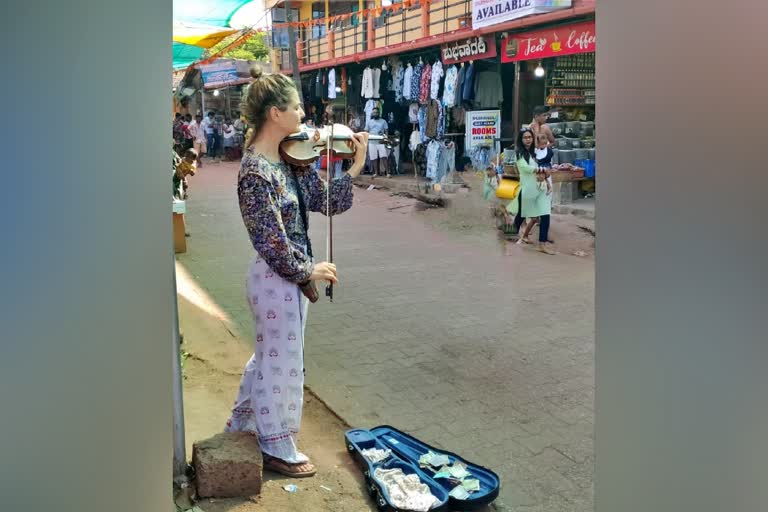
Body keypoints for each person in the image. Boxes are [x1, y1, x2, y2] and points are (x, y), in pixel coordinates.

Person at [224, 65, 369, 478]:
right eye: (298, 108)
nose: (306, 118)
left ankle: (243, 425)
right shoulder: (256, 172)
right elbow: (270, 242)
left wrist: (353, 165)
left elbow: (328, 201)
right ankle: (276, 445)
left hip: (288, 278)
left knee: (270, 358)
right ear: (275, 113)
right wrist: (309, 268)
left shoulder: (289, 159)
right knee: (282, 364)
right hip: (275, 279)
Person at [510, 128, 555, 255]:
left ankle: (542, 243)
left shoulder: (534, 152)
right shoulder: (519, 153)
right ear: (521, 139)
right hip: (528, 189)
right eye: (525, 137)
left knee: (545, 214)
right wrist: (541, 169)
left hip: (540, 188)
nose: (528, 139)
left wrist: (548, 183)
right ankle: (512, 233)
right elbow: (524, 168)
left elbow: (545, 168)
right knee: (522, 214)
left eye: (530, 137)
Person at [365, 107, 389, 178]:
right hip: (372, 142)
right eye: (374, 112)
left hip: (381, 141)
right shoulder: (369, 122)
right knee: (374, 158)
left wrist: (386, 139)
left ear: (379, 113)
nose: (375, 113)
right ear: (372, 113)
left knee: (384, 156)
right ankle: (376, 173)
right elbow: (366, 131)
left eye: (376, 112)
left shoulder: (383, 121)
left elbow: (386, 130)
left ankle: (387, 173)